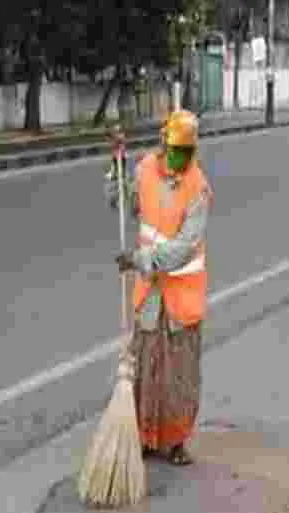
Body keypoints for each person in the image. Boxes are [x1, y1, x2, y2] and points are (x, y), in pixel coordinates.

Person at [107, 110, 212, 466]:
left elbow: (185, 246)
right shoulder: (144, 171)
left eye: (187, 151)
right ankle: (145, 436)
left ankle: (177, 439)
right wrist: (116, 169)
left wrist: (140, 259)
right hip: (150, 294)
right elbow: (121, 202)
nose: (180, 158)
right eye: (175, 150)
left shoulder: (198, 188)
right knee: (145, 369)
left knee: (179, 373)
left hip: (182, 297)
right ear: (163, 145)